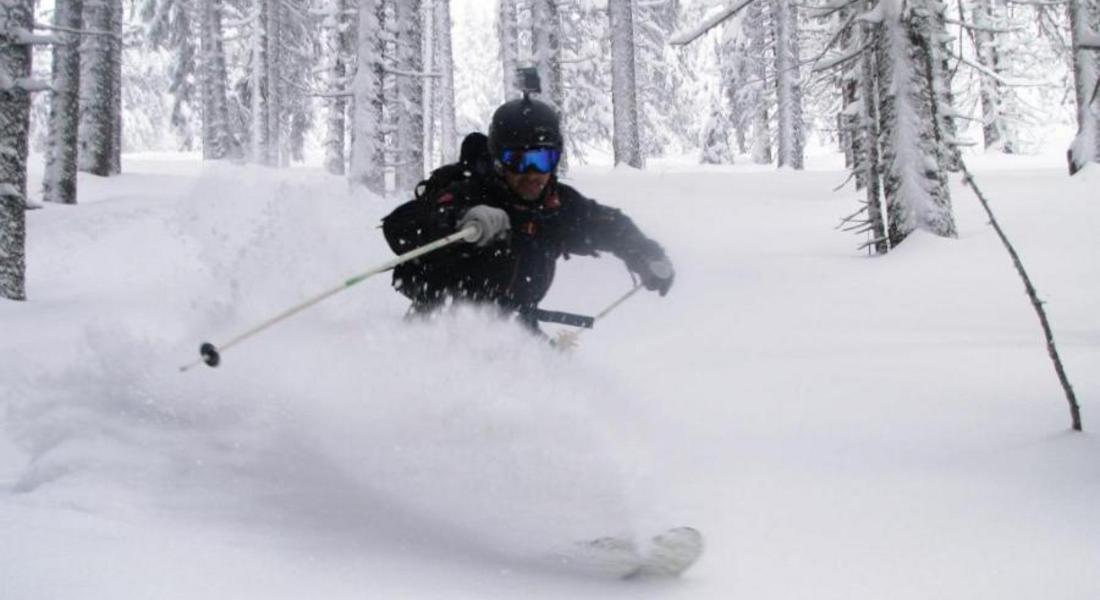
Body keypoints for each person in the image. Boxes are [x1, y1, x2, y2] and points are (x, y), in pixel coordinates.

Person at [381, 94, 674, 332]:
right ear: (498, 160)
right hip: (442, 327)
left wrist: (645, 252)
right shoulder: (470, 193)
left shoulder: (556, 206)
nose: (533, 174)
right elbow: (401, 226)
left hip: (517, 331)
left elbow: (607, 224)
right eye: (519, 161)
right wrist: (460, 221)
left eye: (543, 159)